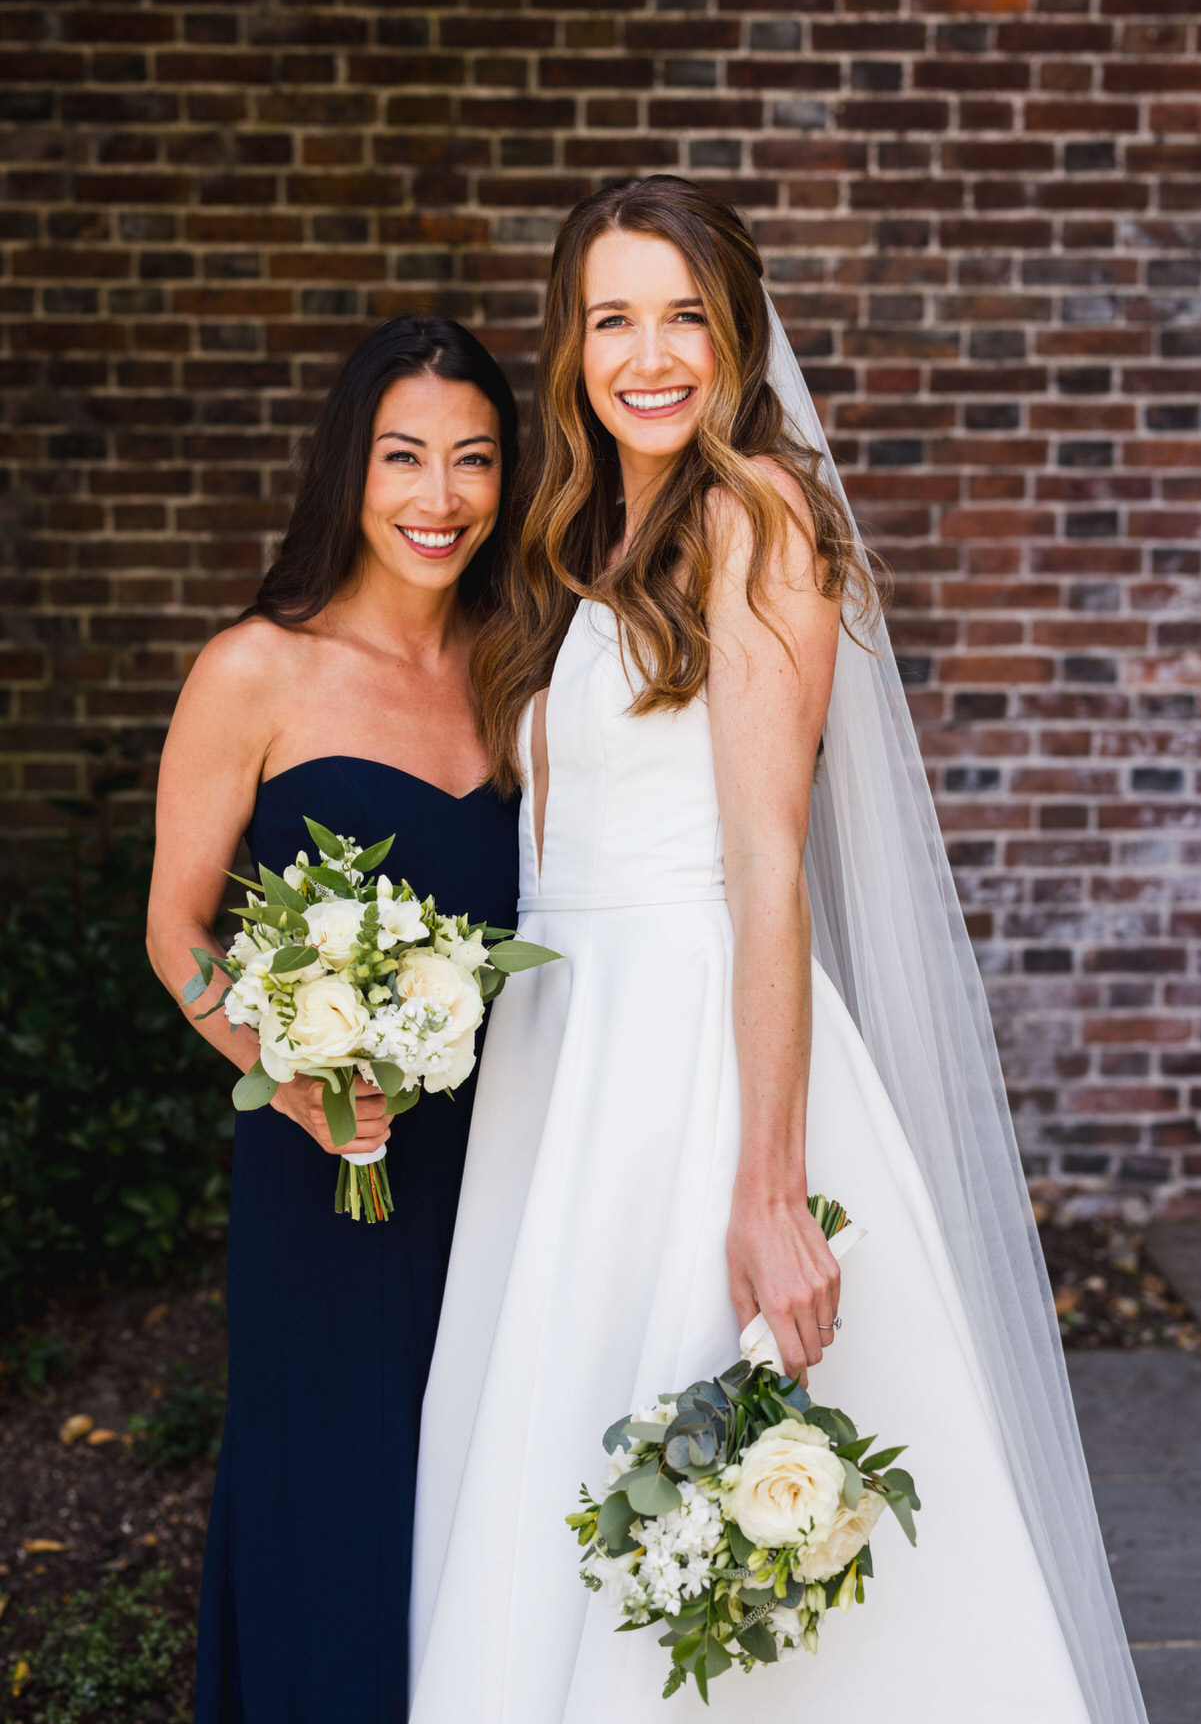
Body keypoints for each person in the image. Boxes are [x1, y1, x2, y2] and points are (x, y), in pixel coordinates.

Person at [409, 180, 1147, 1722]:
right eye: (612, 319)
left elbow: (762, 859)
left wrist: (764, 1188)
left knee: (699, 1463)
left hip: (685, 1046)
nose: (648, 355)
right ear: (571, 346)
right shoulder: (580, 537)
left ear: (736, 335)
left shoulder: (752, 518)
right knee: (558, 1450)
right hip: (562, 1064)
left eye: (684, 316)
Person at [145, 314, 522, 1724]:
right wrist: (287, 1069)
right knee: (332, 1497)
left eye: (474, 459)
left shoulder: (524, 666)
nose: (440, 497)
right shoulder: (258, 668)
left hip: (507, 1158)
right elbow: (177, 933)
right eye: (403, 456)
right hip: (329, 1162)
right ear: (347, 468)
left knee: (482, 1495)